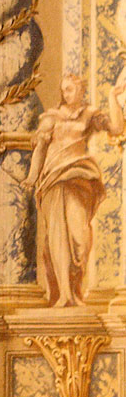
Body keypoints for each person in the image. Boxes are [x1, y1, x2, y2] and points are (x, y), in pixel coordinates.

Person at [23, 73, 125, 307]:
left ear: (81, 90)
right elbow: (40, 148)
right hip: (54, 178)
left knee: (81, 237)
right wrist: (32, 176)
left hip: (80, 177)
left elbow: (117, 128)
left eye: (70, 89)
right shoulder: (52, 117)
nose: (66, 94)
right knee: (57, 236)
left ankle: (75, 289)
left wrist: (113, 95)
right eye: (64, 90)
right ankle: (64, 295)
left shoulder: (89, 114)